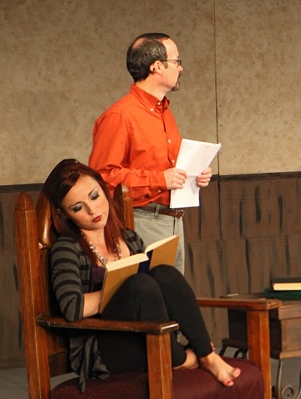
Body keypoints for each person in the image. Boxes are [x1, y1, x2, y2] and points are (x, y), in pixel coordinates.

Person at [43, 159, 241, 390]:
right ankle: (179, 359)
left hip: (147, 338)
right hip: (106, 352)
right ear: (64, 214)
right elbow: (71, 307)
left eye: (95, 196)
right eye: (78, 208)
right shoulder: (67, 248)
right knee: (139, 284)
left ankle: (206, 355)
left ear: (103, 190)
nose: (92, 210)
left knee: (164, 273)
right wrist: (121, 286)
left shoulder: (128, 238)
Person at [89, 33, 212, 274]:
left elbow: (166, 169)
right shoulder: (120, 116)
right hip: (142, 221)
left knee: (172, 294)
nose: (181, 68)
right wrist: (160, 179)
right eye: (176, 61)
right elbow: (102, 178)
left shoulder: (165, 112)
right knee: (151, 294)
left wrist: (193, 175)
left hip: (174, 219)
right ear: (157, 66)